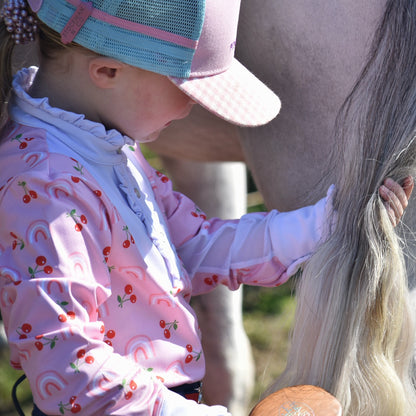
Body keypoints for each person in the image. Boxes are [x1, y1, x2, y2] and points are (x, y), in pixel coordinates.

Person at [0, 1, 411, 415]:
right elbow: (70, 369)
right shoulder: (43, 190)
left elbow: (191, 244)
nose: (194, 108)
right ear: (108, 72)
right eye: (187, 90)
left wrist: (327, 224)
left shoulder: (102, 145)